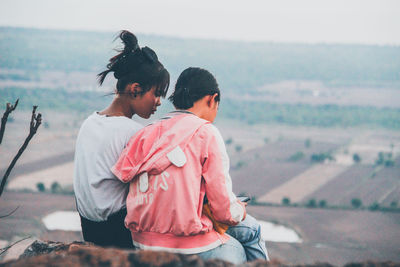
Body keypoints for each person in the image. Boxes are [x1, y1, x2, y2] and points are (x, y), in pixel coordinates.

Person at [111, 67, 268, 263]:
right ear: (212, 99)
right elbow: (224, 211)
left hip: (143, 242)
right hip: (190, 245)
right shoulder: (206, 132)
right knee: (248, 236)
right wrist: (239, 209)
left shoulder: (145, 133)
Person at [73, 30, 170, 248]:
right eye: (156, 94)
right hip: (119, 235)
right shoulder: (133, 133)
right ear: (135, 90)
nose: (158, 102)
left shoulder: (90, 122)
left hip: (89, 228)